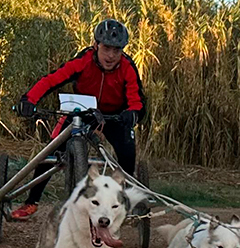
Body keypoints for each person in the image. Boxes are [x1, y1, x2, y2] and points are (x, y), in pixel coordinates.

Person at [11, 19, 146, 220]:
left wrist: (132, 113)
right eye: (106, 48)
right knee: (50, 152)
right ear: (96, 45)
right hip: (82, 112)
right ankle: (31, 202)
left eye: (116, 50)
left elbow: (137, 100)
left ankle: (124, 202)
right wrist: (28, 100)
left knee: (127, 155)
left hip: (114, 116)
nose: (111, 55)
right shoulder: (83, 61)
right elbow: (51, 80)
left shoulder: (127, 67)